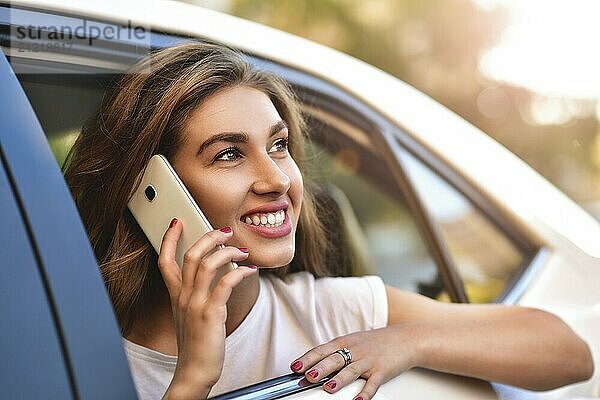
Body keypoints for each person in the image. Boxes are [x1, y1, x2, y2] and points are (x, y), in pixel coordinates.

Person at [63, 41, 593, 400]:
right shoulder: (70, 347)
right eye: (228, 153)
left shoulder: (332, 312)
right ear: (151, 189)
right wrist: (194, 381)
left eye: (279, 146)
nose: (276, 178)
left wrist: (404, 341)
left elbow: (568, 353)